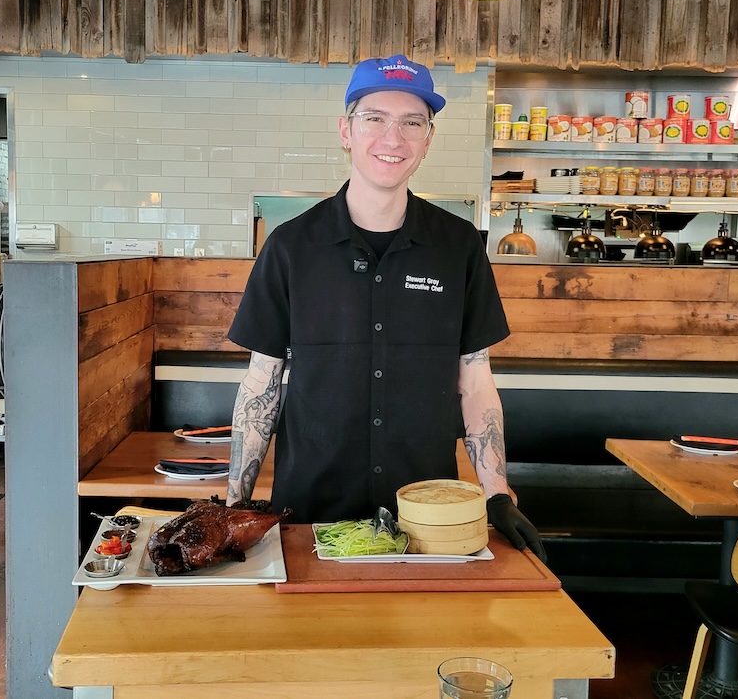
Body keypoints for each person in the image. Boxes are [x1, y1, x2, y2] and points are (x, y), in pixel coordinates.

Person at [225, 55, 545, 560]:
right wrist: (233, 504)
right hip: (311, 513)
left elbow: (475, 379)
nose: (393, 138)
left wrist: (497, 492)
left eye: (411, 122)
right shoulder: (290, 247)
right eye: (375, 118)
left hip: (428, 518)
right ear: (346, 131)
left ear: (426, 140)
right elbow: (261, 384)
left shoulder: (458, 245)